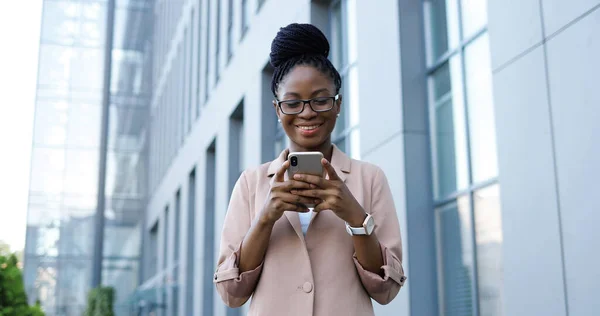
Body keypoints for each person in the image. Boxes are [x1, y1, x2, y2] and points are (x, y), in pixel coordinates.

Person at [214, 23, 406, 316]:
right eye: (293, 103)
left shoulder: (369, 179)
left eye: (320, 100)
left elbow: (387, 289)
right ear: (278, 110)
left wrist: (355, 216)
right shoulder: (251, 184)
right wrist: (266, 217)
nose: (307, 112)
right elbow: (231, 293)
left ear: (338, 104)